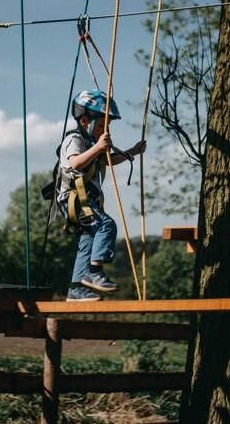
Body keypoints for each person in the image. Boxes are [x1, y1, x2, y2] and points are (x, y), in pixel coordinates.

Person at [57, 90, 146, 302]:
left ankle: (76, 289)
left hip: (83, 200)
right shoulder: (74, 139)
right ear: (84, 121)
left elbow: (108, 160)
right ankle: (94, 272)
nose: (105, 130)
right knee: (106, 225)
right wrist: (98, 147)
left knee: (88, 240)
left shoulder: (90, 143)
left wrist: (132, 151)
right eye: (100, 125)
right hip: (74, 199)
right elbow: (76, 163)